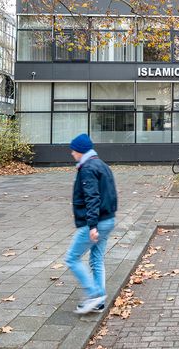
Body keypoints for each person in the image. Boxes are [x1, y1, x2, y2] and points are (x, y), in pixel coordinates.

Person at [64, 133, 118, 314]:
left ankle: (94, 294)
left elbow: (92, 197)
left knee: (72, 258)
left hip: (95, 223)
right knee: (96, 259)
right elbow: (110, 194)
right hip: (108, 219)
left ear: (80, 151)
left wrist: (93, 225)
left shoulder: (87, 168)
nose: (72, 153)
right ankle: (99, 300)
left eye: (74, 150)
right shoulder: (102, 165)